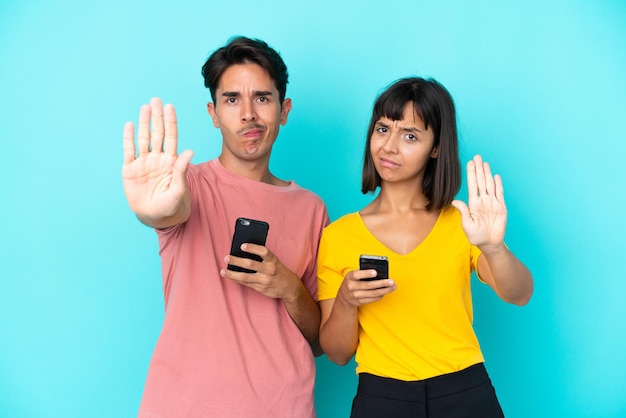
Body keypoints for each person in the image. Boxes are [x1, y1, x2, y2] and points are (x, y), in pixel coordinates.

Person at [122, 36, 328, 418]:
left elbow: (320, 342)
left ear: (284, 110)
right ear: (213, 113)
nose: (248, 113)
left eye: (262, 98)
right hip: (184, 406)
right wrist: (154, 210)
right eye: (232, 99)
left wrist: (289, 287)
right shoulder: (187, 186)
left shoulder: (311, 209)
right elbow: (169, 211)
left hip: (284, 407)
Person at [317, 77, 533, 417]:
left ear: (436, 147)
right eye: (382, 129)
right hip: (381, 397)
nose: (389, 147)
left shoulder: (463, 223)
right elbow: (337, 353)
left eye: (410, 136)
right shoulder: (338, 236)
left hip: (465, 392)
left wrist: (493, 247)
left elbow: (520, 294)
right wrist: (346, 300)